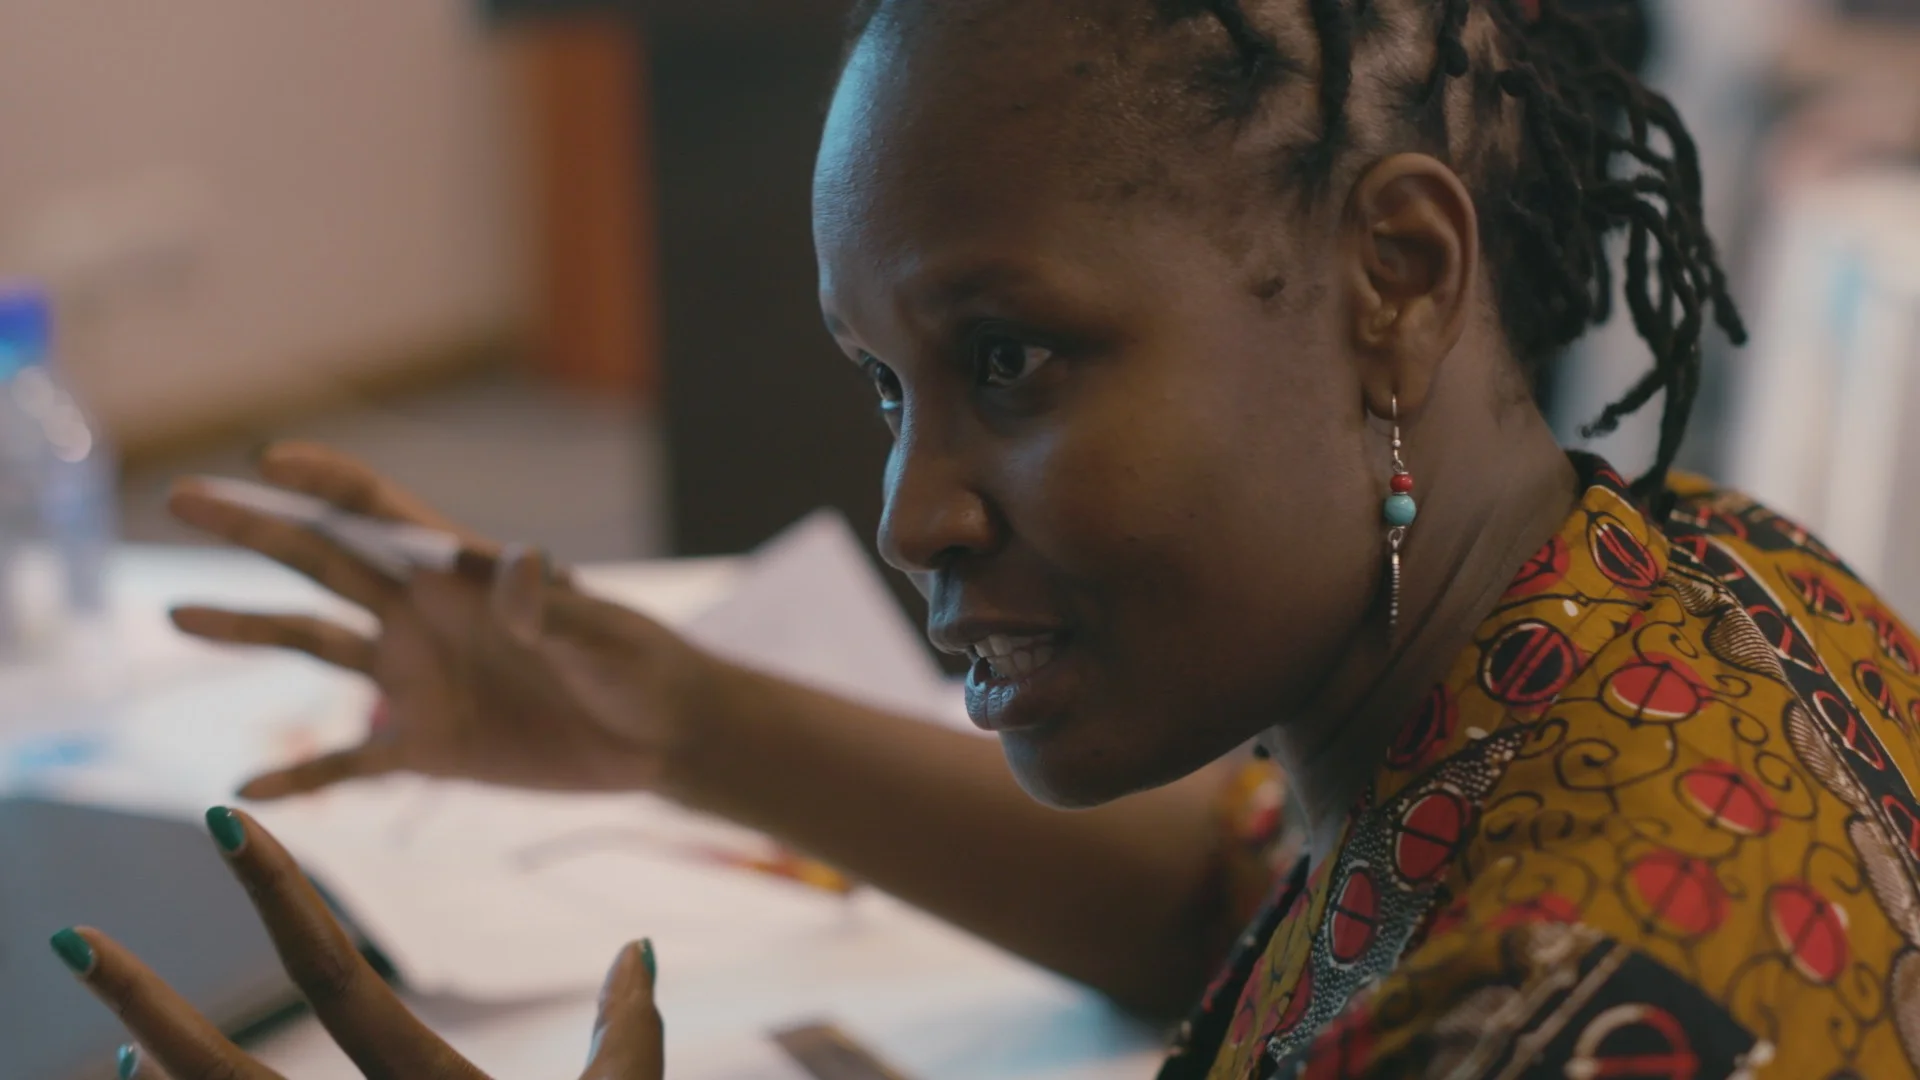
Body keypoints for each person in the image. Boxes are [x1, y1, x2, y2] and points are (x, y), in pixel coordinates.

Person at [47, 0, 1920, 1076]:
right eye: (888, 384)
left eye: (1009, 357)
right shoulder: (1679, 588)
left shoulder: (1572, 1017)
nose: (911, 511)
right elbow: (1232, 903)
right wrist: (673, 716)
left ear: (1397, 276)